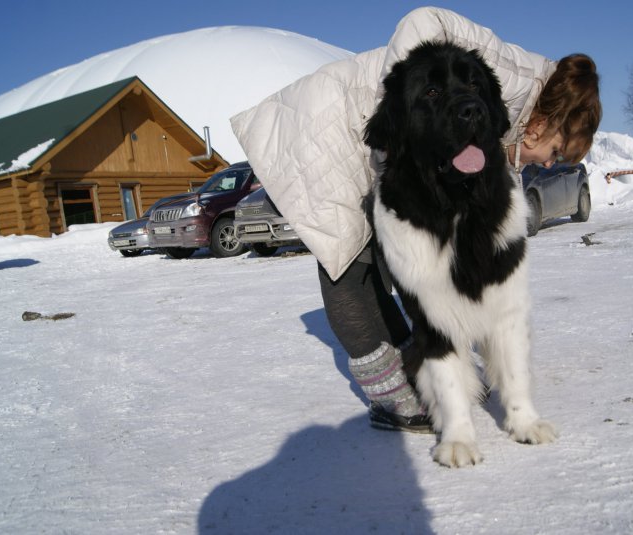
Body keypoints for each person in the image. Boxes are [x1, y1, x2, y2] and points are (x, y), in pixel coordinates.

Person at [231, 7, 601, 432]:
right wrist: (402, 126)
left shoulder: (506, 118)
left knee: (386, 267)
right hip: (327, 134)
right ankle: (391, 399)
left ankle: (413, 371)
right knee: (347, 267)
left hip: (364, 148)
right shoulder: (514, 74)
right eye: (556, 152)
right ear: (547, 125)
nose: (549, 163)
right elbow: (423, 20)